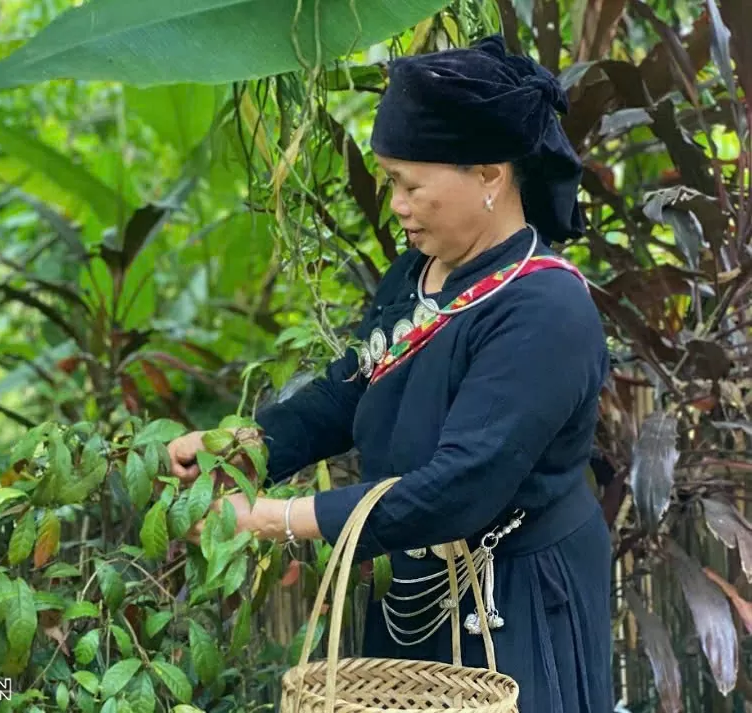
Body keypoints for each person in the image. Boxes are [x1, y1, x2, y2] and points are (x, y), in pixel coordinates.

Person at [168, 35, 613, 713]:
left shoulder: (544, 311)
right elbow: (356, 383)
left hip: (516, 603)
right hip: (413, 582)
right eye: (390, 182)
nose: (397, 204)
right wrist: (244, 449)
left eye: (411, 184)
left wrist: (268, 518)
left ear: (491, 174)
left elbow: (459, 486)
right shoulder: (418, 271)